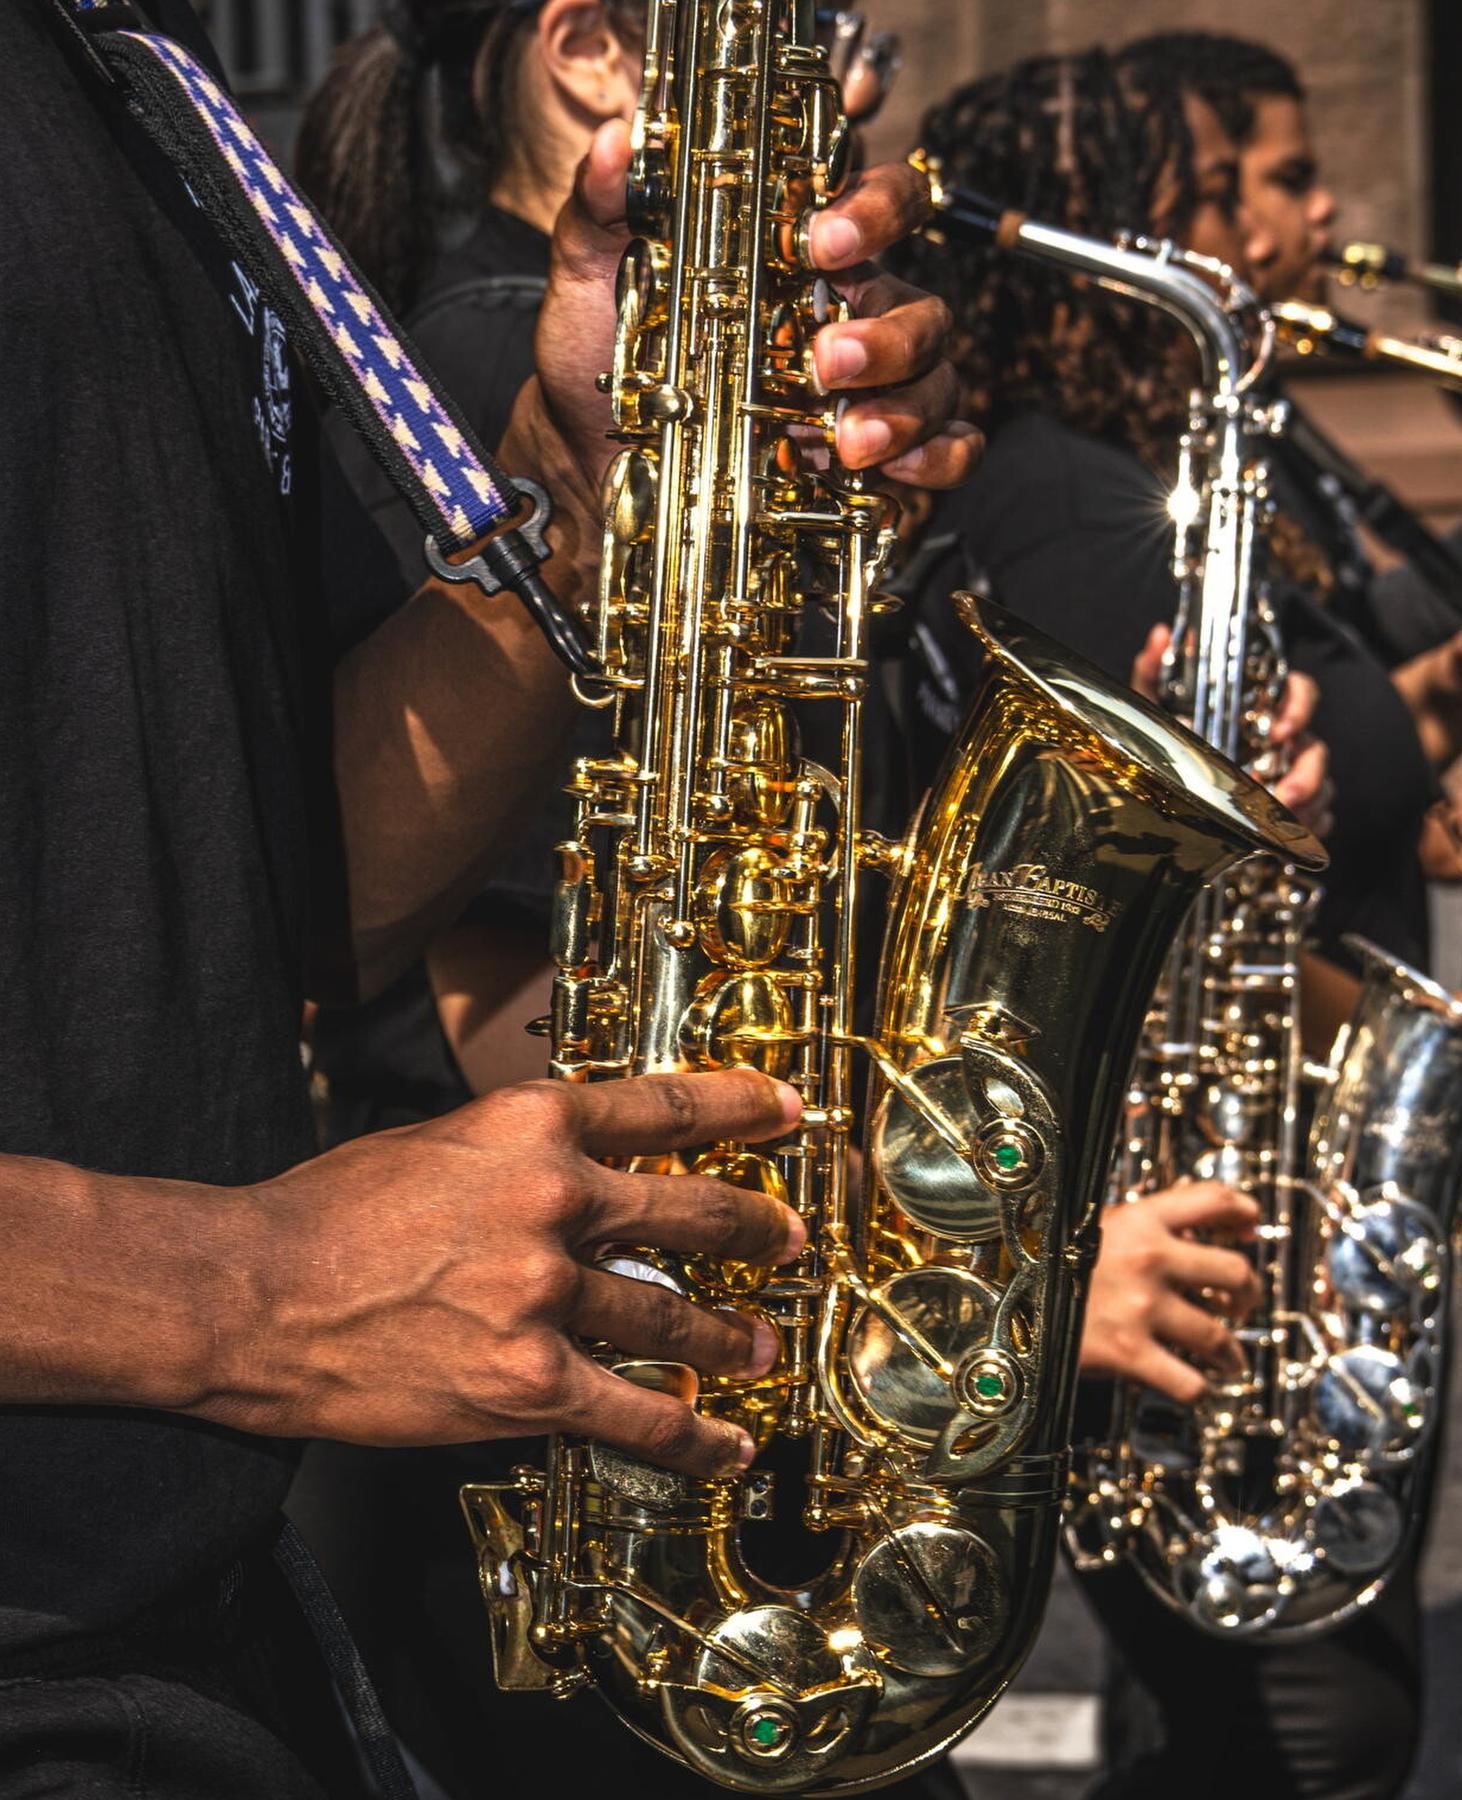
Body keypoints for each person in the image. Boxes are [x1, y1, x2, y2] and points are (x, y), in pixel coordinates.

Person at [0, 1, 974, 1793]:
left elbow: (263, 935)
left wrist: (599, 489)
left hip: (187, 1618)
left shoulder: (125, 91)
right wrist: (247, 1290)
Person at [892, 34, 1462, 1800]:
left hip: (1271, 1153)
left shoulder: (1179, 485)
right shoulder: (1071, 503)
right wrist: (1439, 1027)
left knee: (1310, 1727)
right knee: (1305, 1736)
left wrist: (1430, 722)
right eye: (1212, 198)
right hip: (1205, 1179)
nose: (1271, 231)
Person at [286, 9, 967, 1795]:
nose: (855, 69)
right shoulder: (481, 353)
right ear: (595, 48)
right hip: (589, 1385)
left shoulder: (590, 355)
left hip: (664, 1348)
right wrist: (906, 1228)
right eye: (820, 33)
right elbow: (470, 968)